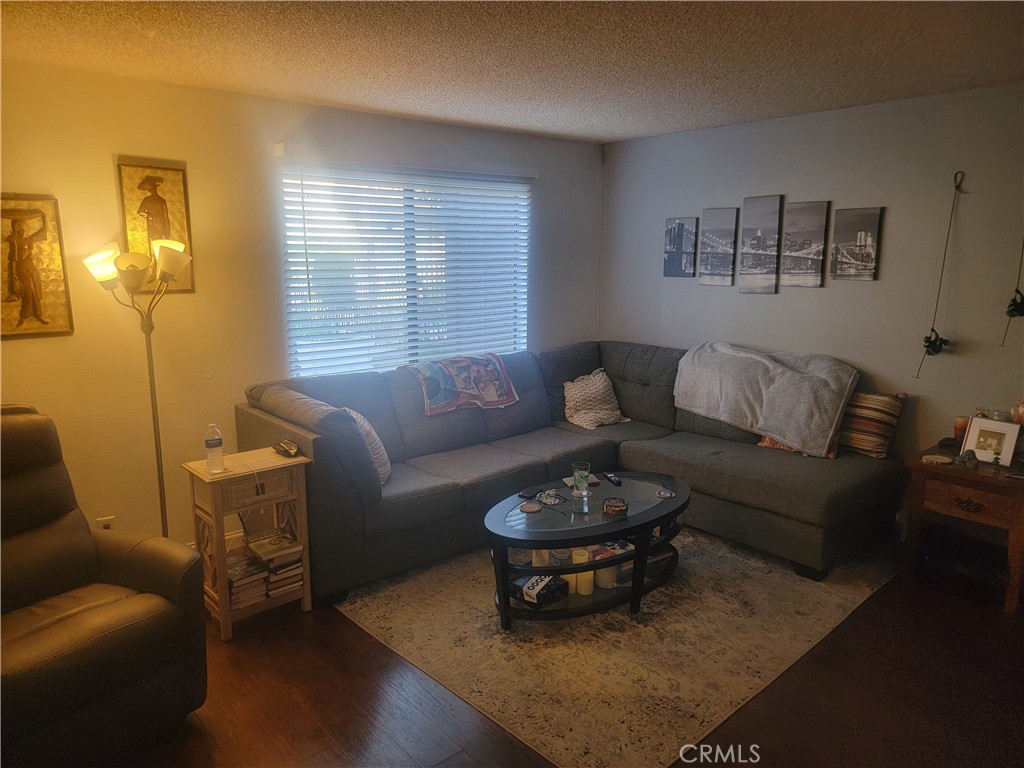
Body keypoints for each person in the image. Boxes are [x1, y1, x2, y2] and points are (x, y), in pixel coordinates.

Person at [4, 212, 49, 327]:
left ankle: (37, 314)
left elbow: (43, 231)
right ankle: (25, 315)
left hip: (31, 267)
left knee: (35, 291)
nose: (23, 229)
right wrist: (13, 274)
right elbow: (12, 259)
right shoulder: (13, 241)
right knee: (28, 292)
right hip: (22, 268)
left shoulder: (29, 240)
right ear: (16, 228)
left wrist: (44, 217)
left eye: (24, 227)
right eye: (20, 227)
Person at [136, 175, 170, 280]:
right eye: (150, 189)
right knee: (156, 251)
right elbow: (140, 212)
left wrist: (167, 231)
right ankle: (154, 273)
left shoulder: (162, 200)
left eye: (153, 187)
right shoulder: (147, 200)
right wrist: (150, 217)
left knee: (164, 251)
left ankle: (165, 272)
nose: (152, 190)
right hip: (153, 228)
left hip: (162, 228)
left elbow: (166, 216)